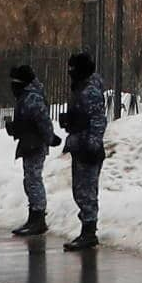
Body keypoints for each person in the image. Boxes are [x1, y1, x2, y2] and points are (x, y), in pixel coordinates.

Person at [59, 53, 108, 252]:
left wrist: (92, 144)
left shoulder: (90, 91)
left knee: (87, 191)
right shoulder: (80, 89)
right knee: (79, 191)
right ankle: (86, 229)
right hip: (79, 144)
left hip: (88, 148)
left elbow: (98, 121)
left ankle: (89, 232)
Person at [5, 64, 55, 238]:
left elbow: (42, 120)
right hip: (29, 142)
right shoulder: (26, 97)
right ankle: (34, 216)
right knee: (30, 180)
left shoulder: (32, 98)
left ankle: (38, 218)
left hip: (35, 144)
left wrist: (50, 137)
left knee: (34, 180)